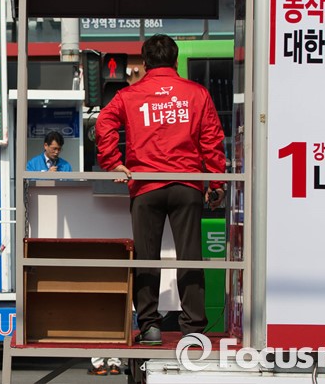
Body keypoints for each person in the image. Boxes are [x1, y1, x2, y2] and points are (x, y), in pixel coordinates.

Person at [95, 34, 226, 345]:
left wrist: (113, 162)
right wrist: (216, 182)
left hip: (145, 185)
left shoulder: (129, 95)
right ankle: (193, 328)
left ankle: (150, 327)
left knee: (146, 256)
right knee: (190, 256)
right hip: (187, 184)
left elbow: (103, 123)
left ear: (144, 62)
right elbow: (211, 139)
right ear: (176, 60)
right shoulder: (197, 93)